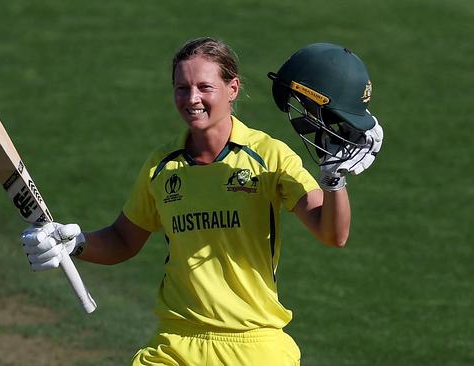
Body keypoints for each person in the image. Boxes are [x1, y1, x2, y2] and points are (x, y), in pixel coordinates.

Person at [20, 38, 383, 366]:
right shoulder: (162, 166)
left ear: (232, 89)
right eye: (182, 88)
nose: (191, 99)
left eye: (204, 87)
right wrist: (75, 243)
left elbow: (333, 233)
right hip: (176, 344)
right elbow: (123, 240)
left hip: (253, 347)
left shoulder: (269, 156)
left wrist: (335, 181)